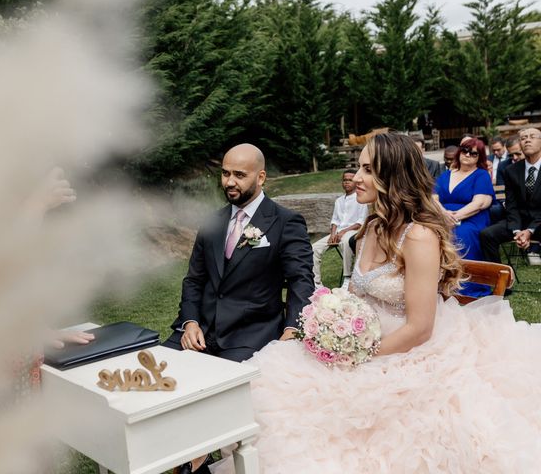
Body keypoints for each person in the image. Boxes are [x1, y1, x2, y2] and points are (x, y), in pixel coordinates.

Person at [210, 132, 541, 474]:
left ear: (392, 177)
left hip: (410, 352)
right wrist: (329, 323)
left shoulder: (418, 236)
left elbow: (420, 328)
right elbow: (356, 296)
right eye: (359, 167)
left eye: (368, 169)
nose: (357, 177)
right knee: (273, 385)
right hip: (362, 340)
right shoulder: (370, 229)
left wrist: (358, 356)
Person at [165, 143, 314, 474]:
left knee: (211, 393)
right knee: (159, 381)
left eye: (239, 175)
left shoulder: (285, 223)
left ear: (261, 177)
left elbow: (303, 283)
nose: (229, 182)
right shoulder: (212, 221)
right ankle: (184, 458)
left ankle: (192, 462)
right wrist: (190, 322)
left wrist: (292, 330)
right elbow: (193, 281)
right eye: (225, 173)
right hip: (199, 331)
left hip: (250, 334)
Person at [434, 139, 494, 297]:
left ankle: (466, 286)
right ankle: (437, 282)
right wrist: (444, 214)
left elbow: (480, 202)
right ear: (459, 152)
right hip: (442, 216)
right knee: (428, 233)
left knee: (462, 234)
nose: (468, 155)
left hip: (471, 218)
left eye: (473, 153)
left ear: (479, 157)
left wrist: (455, 217)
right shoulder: (446, 175)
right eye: (465, 150)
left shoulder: (481, 175)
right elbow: (433, 198)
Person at [480, 128, 541, 264]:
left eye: (532, 137)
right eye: (523, 138)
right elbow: (511, 205)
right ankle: (504, 281)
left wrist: (530, 231)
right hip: (519, 221)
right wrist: (517, 231)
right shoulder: (511, 171)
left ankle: (535, 253)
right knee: (487, 235)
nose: (527, 140)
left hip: (539, 222)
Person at [312, 169, 367, 289]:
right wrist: (333, 234)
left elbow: (360, 222)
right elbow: (335, 221)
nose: (347, 182)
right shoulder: (339, 201)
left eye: (350, 180)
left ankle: (347, 277)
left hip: (353, 231)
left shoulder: (360, 199)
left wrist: (343, 232)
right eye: (344, 180)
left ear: (356, 182)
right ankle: (316, 282)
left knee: (346, 242)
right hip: (337, 233)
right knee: (314, 248)